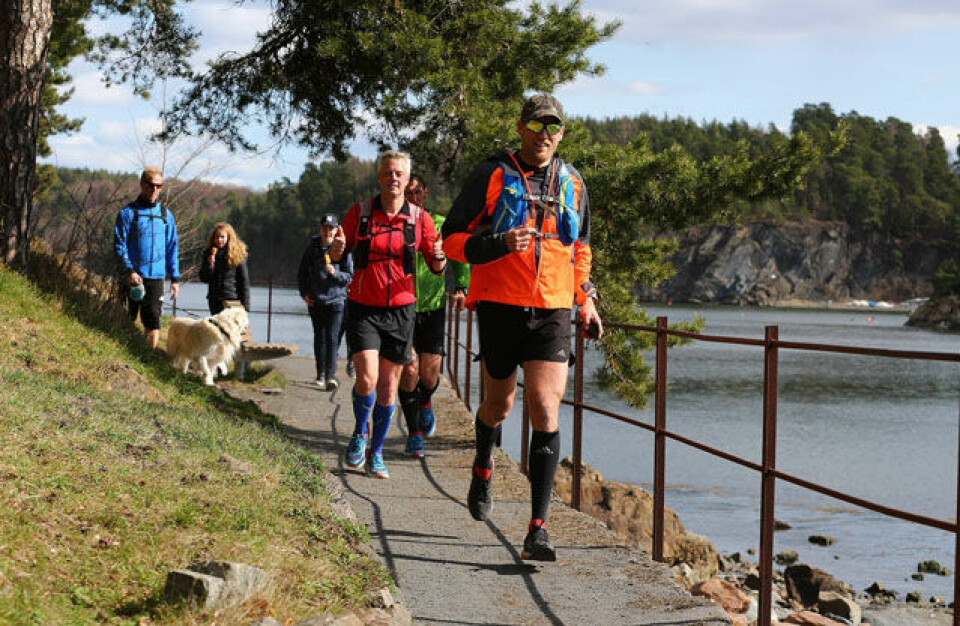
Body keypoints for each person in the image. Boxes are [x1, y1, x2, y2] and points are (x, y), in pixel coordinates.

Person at [442, 94, 603, 561]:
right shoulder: (491, 174)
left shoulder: (573, 181)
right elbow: (450, 239)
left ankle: (538, 528)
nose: (545, 135)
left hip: (552, 310)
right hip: (498, 306)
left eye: (553, 128)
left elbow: (582, 250)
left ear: (562, 133)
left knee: (544, 407)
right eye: (537, 126)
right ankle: (483, 464)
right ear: (521, 128)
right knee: (499, 405)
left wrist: (586, 299)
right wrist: (497, 243)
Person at [329, 151, 446, 479]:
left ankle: (377, 453)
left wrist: (440, 258)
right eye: (388, 172)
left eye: (399, 174)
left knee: (388, 388)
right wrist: (336, 252)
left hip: (401, 311)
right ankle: (360, 434)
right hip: (364, 307)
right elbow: (340, 250)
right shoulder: (361, 213)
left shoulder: (419, 219)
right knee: (367, 378)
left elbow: (437, 268)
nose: (394, 178)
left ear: (408, 180)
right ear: (379, 178)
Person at [397, 175, 470, 457]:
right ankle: (414, 433)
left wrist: (462, 286)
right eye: (409, 192)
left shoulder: (439, 224)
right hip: (402, 307)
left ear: (425, 193)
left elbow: (460, 256)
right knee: (410, 368)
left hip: (434, 305)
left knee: (429, 373)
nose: (414, 196)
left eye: (418, 192)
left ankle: (425, 402)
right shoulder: (397, 225)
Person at [114, 167, 180, 349]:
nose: (155, 190)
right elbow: (120, 246)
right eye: (151, 185)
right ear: (142, 184)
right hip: (132, 277)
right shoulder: (127, 213)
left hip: (156, 278)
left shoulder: (166, 215)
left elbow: (172, 247)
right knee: (126, 319)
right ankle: (122, 354)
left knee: (153, 323)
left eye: (159, 186)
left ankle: (147, 358)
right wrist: (130, 271)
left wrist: (175, 279)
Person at [298, 213, 354, 390]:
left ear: (337, 230)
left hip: (337, 301)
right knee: (319, 337)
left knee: (332, 338)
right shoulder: (313, 247)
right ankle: (320, 374)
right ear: (320, 229)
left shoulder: (343, 247)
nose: (327, 232)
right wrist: (304, 293)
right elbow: (302, 273)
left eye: (331, 228)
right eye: (324, 228)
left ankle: (331, 376)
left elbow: (349, 277)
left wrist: (335, 273)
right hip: (316, 300)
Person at [199, 222, 250, 315]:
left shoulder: (237, 255)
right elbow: (204, 278)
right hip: (214, 300)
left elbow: (244, 282)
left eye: (222, 237)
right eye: (217, 237)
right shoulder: (209, 254)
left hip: (231, 300)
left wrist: (246, 306)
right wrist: (210, 266)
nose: (219, 240)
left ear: (229, 238)